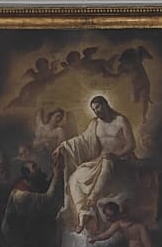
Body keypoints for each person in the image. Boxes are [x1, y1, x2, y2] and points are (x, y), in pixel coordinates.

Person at [57, 94, 136, 231]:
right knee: (74, 178)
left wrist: (115, 155)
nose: (96, 111)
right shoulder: (95, 123)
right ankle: (83, 213)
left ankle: (93, 197)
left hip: (120, 159)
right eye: (94, 109)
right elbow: (82, 140)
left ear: (106, 104)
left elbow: (131, 145)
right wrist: (63, 146)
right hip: (100, 159)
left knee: (107, 162)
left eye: (98, 107)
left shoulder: (121, 120)